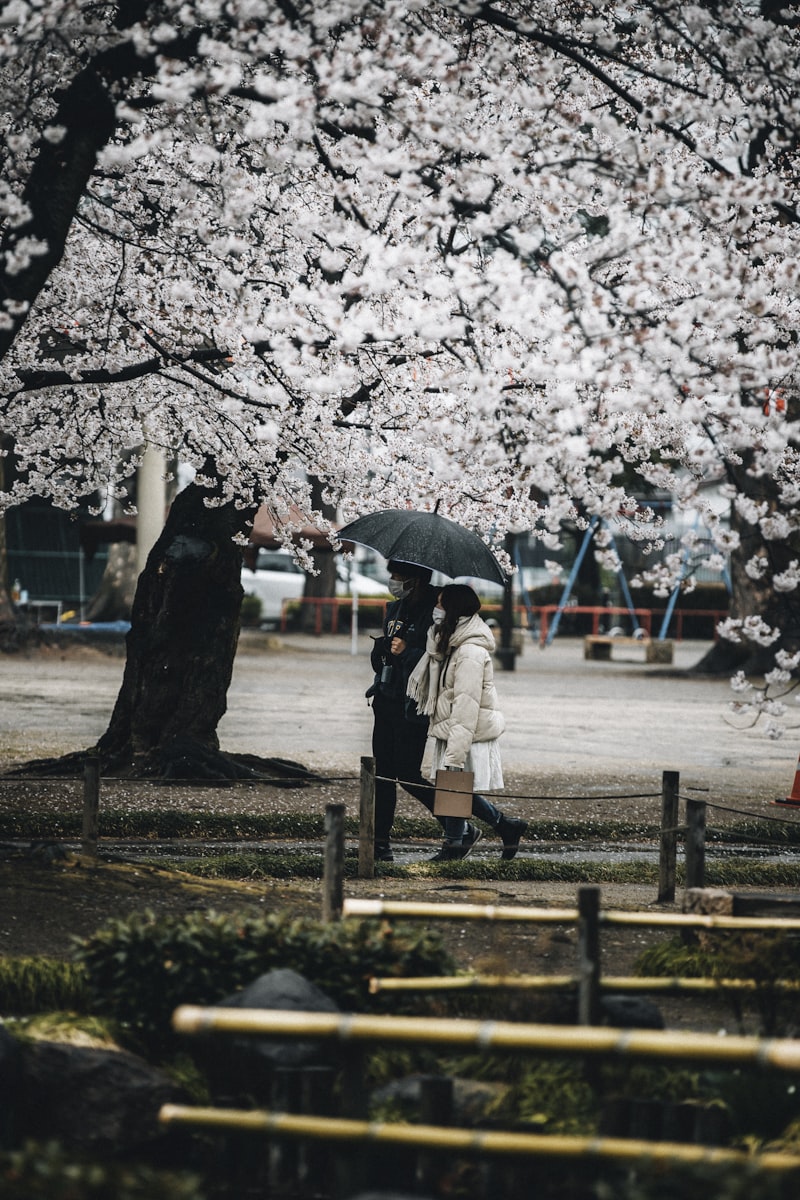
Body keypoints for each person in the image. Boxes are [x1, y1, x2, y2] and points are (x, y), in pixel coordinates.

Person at [407, 583, 528, 861]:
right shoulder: (451, 643)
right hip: (452, 725)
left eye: (440, 604)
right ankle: (502, 826)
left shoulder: (470, 651)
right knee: (452, 784)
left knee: (453, 783)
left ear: (453, 609)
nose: (435, 609)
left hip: (465, 730)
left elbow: (467, 704)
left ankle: (456, 844)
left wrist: (456, 750)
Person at [366, 559, 444, 861]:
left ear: (417, 580)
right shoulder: (395, 608)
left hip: (414, 704)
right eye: (393, 577)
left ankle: (458, 827)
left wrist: (407, 652)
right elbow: (383, 658)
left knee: (408, 773)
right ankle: (379, 844)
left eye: (399, 577)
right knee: (383, 774)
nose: (393, 582)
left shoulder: (436, 611)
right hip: (386, 698)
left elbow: (438, 658)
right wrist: (383, 650)